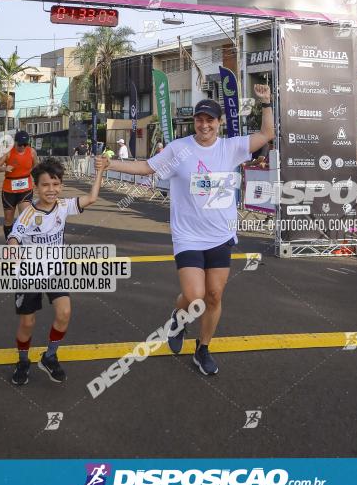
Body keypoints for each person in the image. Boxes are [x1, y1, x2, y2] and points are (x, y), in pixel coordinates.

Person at [101, 83, 274, 376]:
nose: (204, 125)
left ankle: (203, 348)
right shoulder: (179, 149)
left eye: (210, 120)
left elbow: (267, 134)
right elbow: (146, 168)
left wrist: (267, 103)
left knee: (214, 296)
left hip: (221, 234)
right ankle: (178, 320)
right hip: (188, 236)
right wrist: (110, 164)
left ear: (219, 124)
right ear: (194, 121)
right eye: (200, 119)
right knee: (195, 297)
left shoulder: (231, 148)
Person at [8, 155, 106, 386]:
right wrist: (13, 251)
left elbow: (91, 198)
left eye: (55, 184)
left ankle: (49, 356)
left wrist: (100, 170)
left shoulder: (63, 206)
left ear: (61, 186)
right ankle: (23, 360)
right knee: (27, 323)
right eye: (45, 184)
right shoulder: (28, 214)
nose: (51, 189)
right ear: (36, 187)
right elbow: (14, 236)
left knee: (64, 313)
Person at [0, 130, 38, 241]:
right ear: (15, 142)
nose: (23, 146)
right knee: (8, 219)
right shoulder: (8, 152)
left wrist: (38, 182)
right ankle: (10, 243)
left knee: (25, 217)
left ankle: (24, 243)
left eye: (25, 144)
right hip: (9, 190)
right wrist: (4, 168)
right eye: (20, 144)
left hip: (25, 189)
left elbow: (36, 168)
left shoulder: (32, 152)